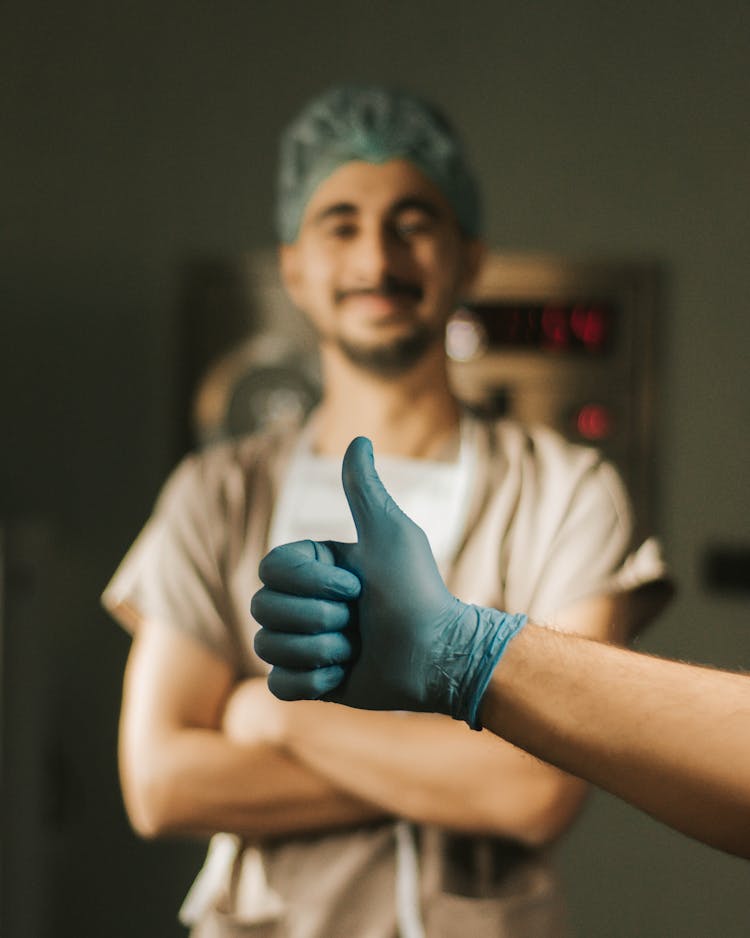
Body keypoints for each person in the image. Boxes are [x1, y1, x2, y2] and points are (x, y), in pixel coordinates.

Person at [103, 85, 671, 937]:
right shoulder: (215, 494)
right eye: (340, 223)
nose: (376, 258)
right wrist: (453, 764)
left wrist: (265, 717)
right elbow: (160, 783)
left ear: (469, 257)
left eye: (413, 221)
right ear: (294, 266)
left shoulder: (566, 493)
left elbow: (538, 789)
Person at [252, 437, 749, 861]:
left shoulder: (561, 484)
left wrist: (280, 724)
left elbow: (532, 793)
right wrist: (461, 782)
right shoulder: (229, 482)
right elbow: (170, 784)